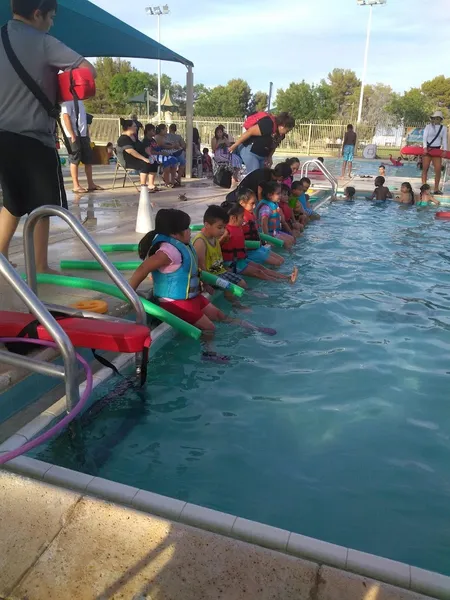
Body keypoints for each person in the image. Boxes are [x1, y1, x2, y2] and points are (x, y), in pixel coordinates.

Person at [0, 0, 96, 272]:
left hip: (2, 137)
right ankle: (40, 266)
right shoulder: (44, 42)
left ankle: (2, 257)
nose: (51, 23)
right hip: (35, 138)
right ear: (37, 13)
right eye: (51, 17)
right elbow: (89, 70)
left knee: (14, 200)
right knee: (44, 206)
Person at [129, 208, 273, 349]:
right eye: (186, 228)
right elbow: (142, 270)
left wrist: (205, 283)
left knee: (220, 315)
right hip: (174, 302)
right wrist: (130, 294)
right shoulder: (167, 252)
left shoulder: (182, 246)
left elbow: (193, 271)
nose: (190, 231)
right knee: (209, 327)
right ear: (174, 233)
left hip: (191, 298)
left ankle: (254, 329)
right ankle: (209, 353)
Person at [220, 203, 297, 283]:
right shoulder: (226, 232)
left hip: (240, 260)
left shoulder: (237, 228)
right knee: (258, 272)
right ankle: (283, 282)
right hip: (231, 264)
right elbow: (217, 248)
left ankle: (287, 277)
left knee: (261, 268)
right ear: (233, 218)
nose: (243, 220)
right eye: (241, 217)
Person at [193, 205, 248, 305]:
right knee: (228, 287)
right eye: (219, 227)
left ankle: (249, 297)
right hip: (211, 277)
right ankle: (236, 305)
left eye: (224, 227)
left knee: (242, 283)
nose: (223, 231)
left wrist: (225, 267)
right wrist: (206, 284)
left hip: (220, 272)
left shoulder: (214, 238)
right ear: (207, 224)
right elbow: (199, 267)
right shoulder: (200, 242)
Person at [229, 112, 295, 174]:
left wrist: (269, 157)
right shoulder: (268, 124)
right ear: (282, 125)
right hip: (250, 151)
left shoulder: (281, 135)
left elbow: (274, 145)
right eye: (287, 130)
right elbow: (249, 132)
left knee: (262, 177)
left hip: (262, 156)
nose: (287, 132)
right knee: (255, 175)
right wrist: (234, 145)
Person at [61, 98, 102, 194]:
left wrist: (87, 134)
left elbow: (83, 118)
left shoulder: (79, 101)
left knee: (88, 159)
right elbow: (66, 117)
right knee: (75, 158)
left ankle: (90, 183)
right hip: (73, 134)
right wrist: (72, 134)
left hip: (83, 134)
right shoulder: (67, 101)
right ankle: (76, 185)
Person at [238, 188, 284, 266]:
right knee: (277, 263)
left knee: (281, 260)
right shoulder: (240, 219)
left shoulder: (250, 214)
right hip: (250, 251)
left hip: (257, 247)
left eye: (255, 203)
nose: (254, 206)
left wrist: (266, 240)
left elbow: (256, 232)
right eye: (252, 203)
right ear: (242, 203)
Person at [116, 119, 157, 191]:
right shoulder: (123, 139)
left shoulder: (134, 137)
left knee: (153, 162)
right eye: (134, 126)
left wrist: (148, 151)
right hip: (127, 160)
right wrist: (144, 158)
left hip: (136, 158)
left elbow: (141, 146)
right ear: (129, 127)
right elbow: (131, 151)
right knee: (145, 163)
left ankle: (151, 184)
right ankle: (143, 186)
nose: (136, 128)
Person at [226, 162, 292, 203]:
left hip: (250, 195)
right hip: (242, 197)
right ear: (281, 177)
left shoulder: (271, 176)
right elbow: (260, 191)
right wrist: (261, 205)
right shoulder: (264, 175)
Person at [256, 182, 295, 249]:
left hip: (275, 232)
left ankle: (291, 255)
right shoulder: (266, 208)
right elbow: (264, 225)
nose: (280, 195)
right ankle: (289, 257)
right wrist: (267, 240)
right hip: (268, 234)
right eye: (278, 193)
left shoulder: (274, 204)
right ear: (269, 195)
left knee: (292, 239)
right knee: (287, 242)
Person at [422, 110, 448, 195]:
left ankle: (436, 189)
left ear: (440, 119)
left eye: (438, 118)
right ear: (432, 119)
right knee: (425, 168)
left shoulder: (443, 128)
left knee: (438, 169)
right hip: (428, 149)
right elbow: (424, 138)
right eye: (435, 118)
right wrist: (425, 148)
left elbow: (444, 140)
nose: (436, 119)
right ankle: (424, 188)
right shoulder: (428, 127)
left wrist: (445, 150)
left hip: (437, 150)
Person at [140, 124, 161, 192]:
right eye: (153, 131)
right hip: (146, 157)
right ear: (148, 131)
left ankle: (151, 184)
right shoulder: (146, 140)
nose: (154, 132)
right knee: (146, 167)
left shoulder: (153, 140)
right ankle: (143, 184)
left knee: (154, 166)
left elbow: (156, 148)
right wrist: (153, 155)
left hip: (153, 157)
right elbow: (148, 151)